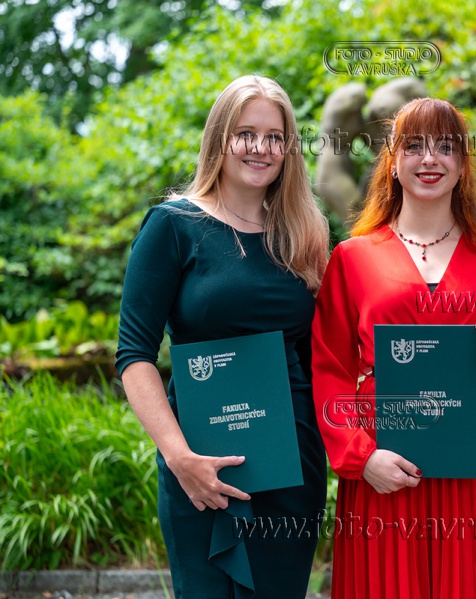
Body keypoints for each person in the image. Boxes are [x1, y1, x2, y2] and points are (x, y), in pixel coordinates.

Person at [115, 75, 329, 599]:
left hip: (291, 467)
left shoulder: (305, 233)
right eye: (246, 133)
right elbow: (134, 356)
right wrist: (179, 458)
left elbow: (321, 355)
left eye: (275, 137)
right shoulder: (172, 225)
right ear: (219, 138)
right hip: (200, 467)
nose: (261, 148)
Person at [311, 97, 476, 599]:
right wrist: (361, 457)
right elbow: (329, 370)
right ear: (392, 161)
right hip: (383, 462)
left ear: (463, 165)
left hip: (472, 466)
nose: (430, 159)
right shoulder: (352, 257)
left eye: (445, 147)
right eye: (414, 146)